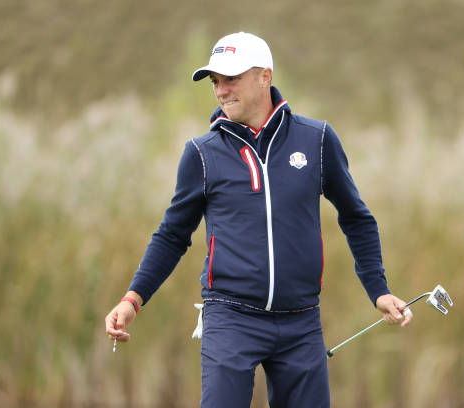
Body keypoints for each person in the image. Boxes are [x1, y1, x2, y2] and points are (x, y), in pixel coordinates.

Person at [105, 31, 412, 407]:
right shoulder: (202, 153)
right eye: (216, 82)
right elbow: (172, 235)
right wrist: (132, 300)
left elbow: (356, 218)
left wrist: (378, 290)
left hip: (301, 322)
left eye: (231, 79)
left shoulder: (316, 141)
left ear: (265, 76)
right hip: (230, 318)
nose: (221, 91)